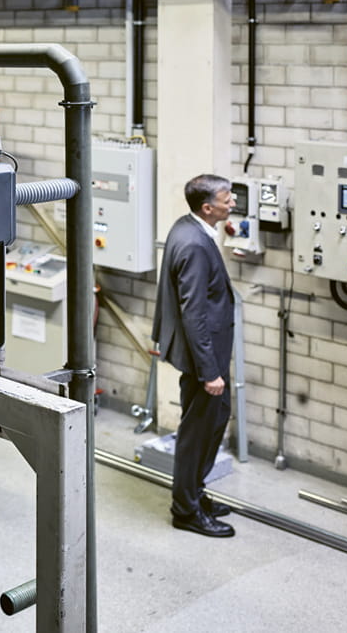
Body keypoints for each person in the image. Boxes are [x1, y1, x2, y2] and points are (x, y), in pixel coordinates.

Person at [152, 174, 237, 538]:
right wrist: (210, 372)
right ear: (208, 207)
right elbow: (194, 312)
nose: (232, 201)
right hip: (205, 359)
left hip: (207, 355)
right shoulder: (196, 245)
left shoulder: (188, 228)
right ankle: (185, 509)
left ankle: (194, 493)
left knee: (213, 421)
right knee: (197, 432)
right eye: (226, 198)